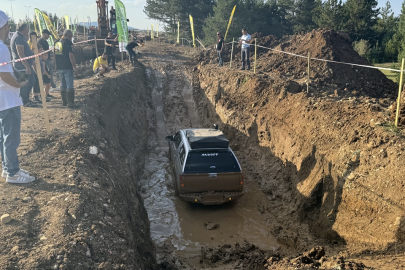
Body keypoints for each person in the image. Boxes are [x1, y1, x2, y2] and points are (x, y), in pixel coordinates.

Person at [0, 10, 36, 183]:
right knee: (12, 138)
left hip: (3, 100)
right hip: (8, 99)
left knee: (5, 137)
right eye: (7, 26)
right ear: (3, 26)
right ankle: (13, 173)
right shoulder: (1, 48)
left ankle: (8, 168)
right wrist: (20, 85)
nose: (8, 30)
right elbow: (5, 76)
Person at [10, 22, 36, 107]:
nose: (28, 31)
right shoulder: (18, 38)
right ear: (24, 29)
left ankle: (26, 99)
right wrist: (27, 67)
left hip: (24, 65)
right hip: (21, 66)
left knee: (31, 81)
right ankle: (25, 101)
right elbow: (21, 54)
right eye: (27, 29)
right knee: (24, 84)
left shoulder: (21, 37)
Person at [55, 29, 77, 108]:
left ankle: (64, 101)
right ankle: (70, 103)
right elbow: (71, 56)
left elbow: (55, 56)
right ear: (70, 36)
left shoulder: (57, 42)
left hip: (60, 67)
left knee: (62, 84)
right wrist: (74, 67)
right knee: (69, 85)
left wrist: (56, 66)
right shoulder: (68, 43)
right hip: (67, 67)